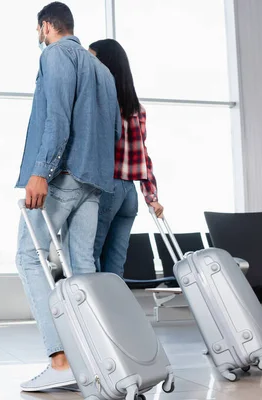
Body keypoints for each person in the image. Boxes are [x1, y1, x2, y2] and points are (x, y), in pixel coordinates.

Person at [15, 2, 121, 392]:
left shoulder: (56, 55)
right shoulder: (103, 70)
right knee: (83, 268)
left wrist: (40, 172)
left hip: (63, 177)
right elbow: (115, 133)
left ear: (47, 26)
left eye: (39, 31)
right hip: (95, 181)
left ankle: (60, 359)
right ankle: (95, 357)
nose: (39, 38)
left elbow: (57, 119)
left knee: (28, 256)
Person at [88, 39, 164, 276]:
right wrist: (151, 196)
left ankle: (91, 312)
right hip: (129, 195)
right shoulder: (136, 108)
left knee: (89, 255)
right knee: (116, 262)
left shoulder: (102, 105)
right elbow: (143, 155)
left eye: (93, 59)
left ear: (104, 64)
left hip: (107, 189)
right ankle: (113, 311)